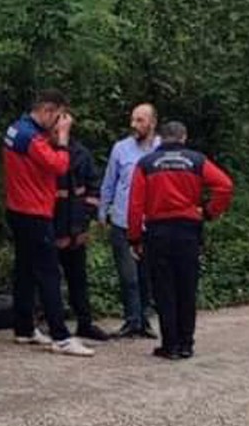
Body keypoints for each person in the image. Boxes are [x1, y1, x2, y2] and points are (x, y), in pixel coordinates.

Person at [127, 121, 234, 360]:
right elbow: (225, 185)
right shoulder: (196, 160)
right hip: (188, 230)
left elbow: (135, 204)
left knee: (164, 289)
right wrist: (208, 212)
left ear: (160, 139)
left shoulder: (146, 164)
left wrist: (134, 237)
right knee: (187, 287)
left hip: (158, 232)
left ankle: (170, 345)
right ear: (183, 137)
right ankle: (187, 344)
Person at [3, 89, 95, 357]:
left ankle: (24, 327)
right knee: (48, 273)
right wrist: (64, 138)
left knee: (25, 270)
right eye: (57, 117)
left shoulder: (15, 129)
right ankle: (61, 336)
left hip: (17, 208)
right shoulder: (32, 138)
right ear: (46, 110)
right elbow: (59, 165)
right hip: (35, 212)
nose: (59, 124)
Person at [100, 103, 160, 339]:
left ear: (152, 123)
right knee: (128, 275)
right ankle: (131, 320)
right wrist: (102, 211)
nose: (134, 125)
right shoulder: (121, 149)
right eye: (133, 120)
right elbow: (110, 181)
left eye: (140, 120)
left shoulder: (161, 149)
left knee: (146, 275)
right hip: (123, 220)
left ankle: (144, 319)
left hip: (151, 222)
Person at [51, 129, 111, 342]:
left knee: (78, 279)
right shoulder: (45, 152)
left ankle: (84, 323)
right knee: (49, 279)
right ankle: (52, 324)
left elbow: (93, 190)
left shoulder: (81, 154)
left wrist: (84, 222)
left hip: (76, 227)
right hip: (52, 227)